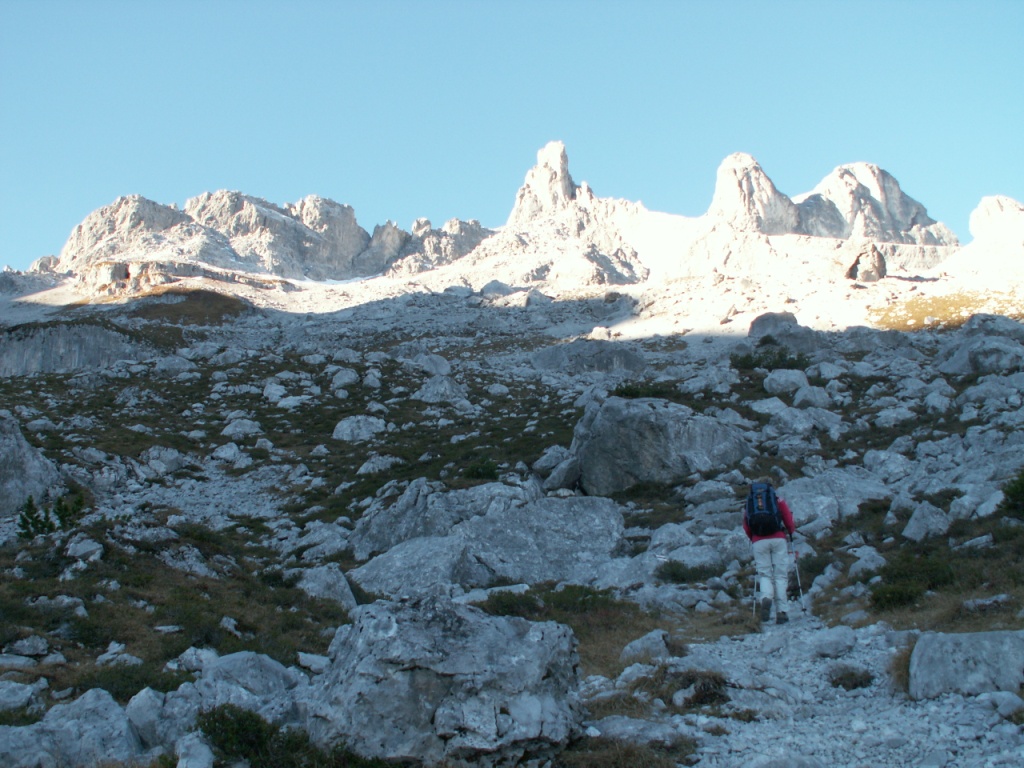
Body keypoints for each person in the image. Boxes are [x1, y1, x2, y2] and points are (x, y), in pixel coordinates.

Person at [743, 480, 797, 624]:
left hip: (758, 541)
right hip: (778, 538)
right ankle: (782, 612)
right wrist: (790, 531)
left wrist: (753, 538)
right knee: (780, 576)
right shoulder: (777, 500)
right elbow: (788, 518)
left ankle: (766, 597)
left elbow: (746, 524)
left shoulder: (750, 501)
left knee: (764, 574)